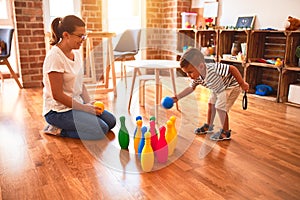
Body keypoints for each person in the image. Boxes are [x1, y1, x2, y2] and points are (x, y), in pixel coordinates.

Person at [42, 15, 116, 140]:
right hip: (58, 112)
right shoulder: (54, 57)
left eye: (84, 36)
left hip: (75, 105)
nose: (83, 39)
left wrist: (89, 103)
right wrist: (85, 108)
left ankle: (77, 122)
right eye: (80, 36)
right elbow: (57, 95)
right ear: (66, 35)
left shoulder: (76, 53)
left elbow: (80, 84)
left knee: (111, 121)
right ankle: (57, 129)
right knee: (101, 129)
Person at [173, 48, 249, 141]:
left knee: (220, 108)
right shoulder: (197, 77)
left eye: (190, 72)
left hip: (230, 86)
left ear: (201, 66)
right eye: (186, 73)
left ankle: (226, 132)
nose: (189, 76)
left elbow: (232, 69)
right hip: (217, 88)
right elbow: (191, 88)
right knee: (211, 104)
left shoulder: (213, 69)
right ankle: (209, 126)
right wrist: (178, 97)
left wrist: (242, 83)